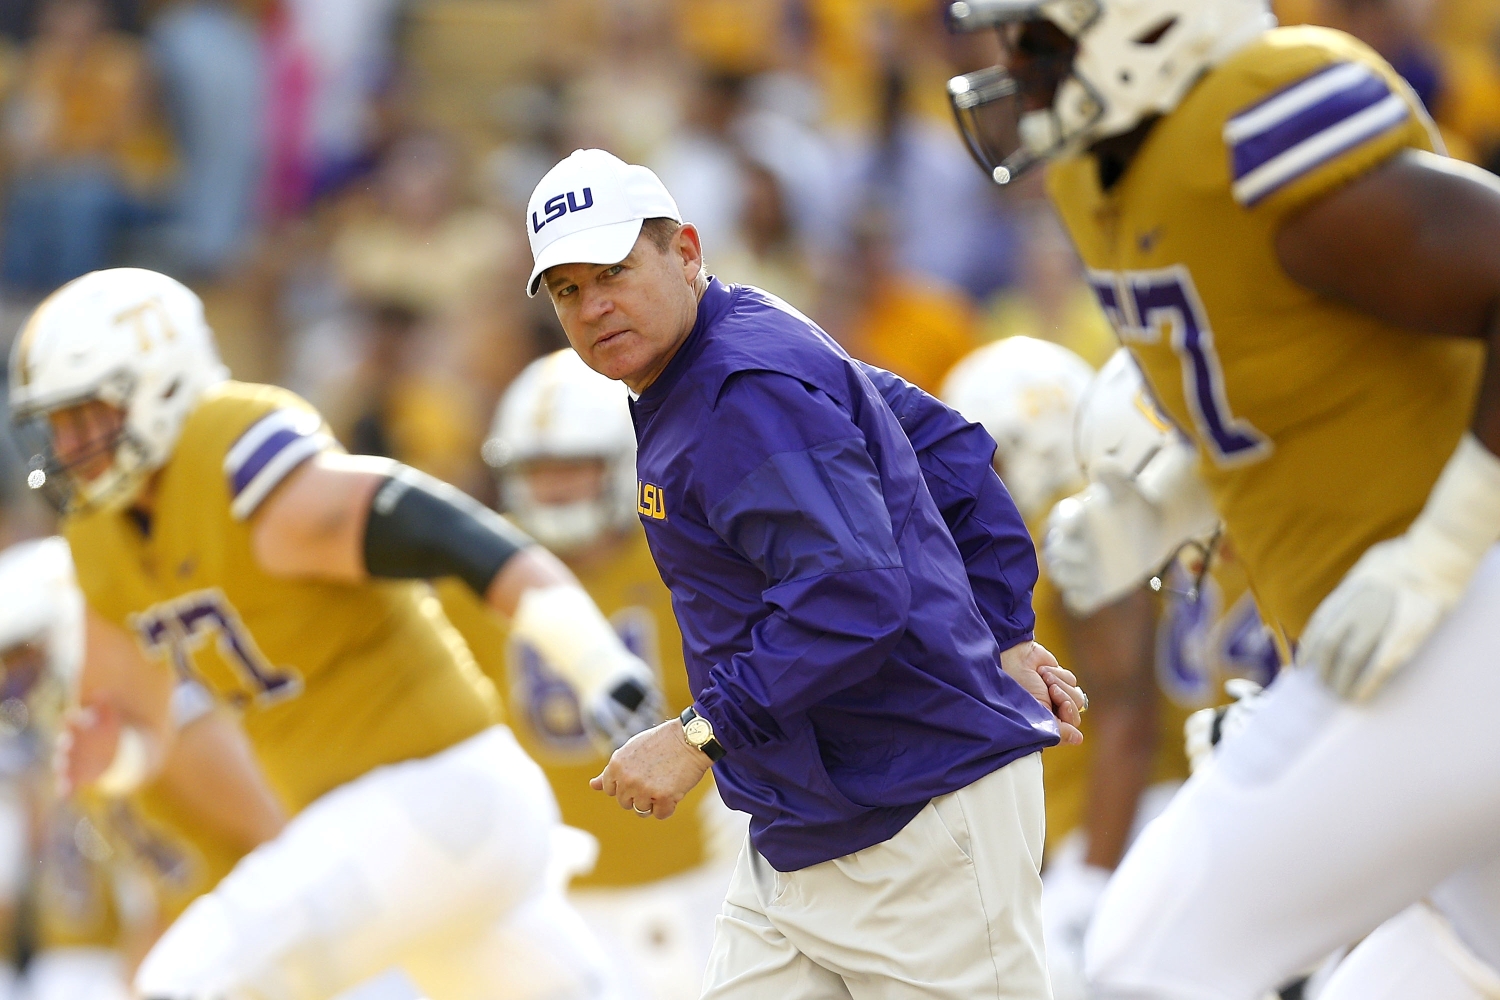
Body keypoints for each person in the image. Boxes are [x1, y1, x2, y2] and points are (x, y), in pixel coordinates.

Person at [946, 0, 1500, 997]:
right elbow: (1272, 396)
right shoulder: (1100, 180)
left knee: (1148, 953)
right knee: (1442, 970)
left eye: (1036, 44)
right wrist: (1156, 510)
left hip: (1453, 611)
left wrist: (1446, 549)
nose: (1014, 76)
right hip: (1382, 626)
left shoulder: (1248, 117)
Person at [7, 267, 665, 999]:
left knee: (188, 982)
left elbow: (445, 532)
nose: (68, 442)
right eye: (56, 422)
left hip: (431, 793)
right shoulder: (101, 533)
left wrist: (594, 658)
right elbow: (136, 725)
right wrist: (116, 753)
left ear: (158, 385)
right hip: (411, 829)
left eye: (86, 414)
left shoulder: (231, 461)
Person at [525, 147, 1085, 1000]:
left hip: (917, 815)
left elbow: (851, 594)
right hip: (811, 821)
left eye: (612, 270)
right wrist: (1004, 634)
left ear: (684, 252)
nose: (594, 305)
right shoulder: (730, 343)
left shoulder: (737, 387)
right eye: (567, 289)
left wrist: (697, 736)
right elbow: (945, 451)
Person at [441, 347, 743, 1000]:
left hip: (710, 874)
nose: (552, 488)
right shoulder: (477, 579)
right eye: (536, 470)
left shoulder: (689, 554)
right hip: (561, 898)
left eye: (573, 467)